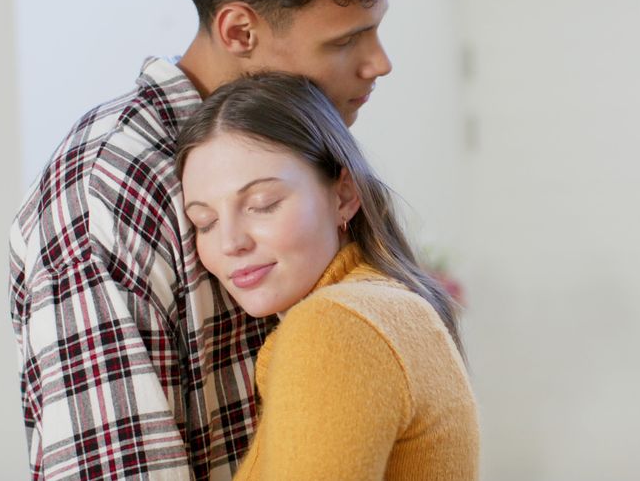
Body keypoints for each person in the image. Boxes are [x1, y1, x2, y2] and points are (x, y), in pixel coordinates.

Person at [8, 0, 410, 479]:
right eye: (344, 41)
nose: (379, 63)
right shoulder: (109, 187)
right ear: (239, 32)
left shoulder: (301, 151)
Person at [174, 72, 479, 480]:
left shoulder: (337, 325)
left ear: (344, 196)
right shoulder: (390, 309)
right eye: (204, 221)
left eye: (263, 204)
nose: (230, 242)